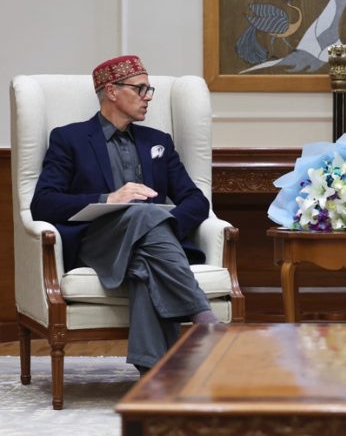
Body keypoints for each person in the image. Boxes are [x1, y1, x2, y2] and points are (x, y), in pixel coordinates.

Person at [30, 55, 220, 375]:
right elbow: (44, 203)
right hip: (96, 242)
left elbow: (196, 200)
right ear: (112, 92)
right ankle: (202, 314)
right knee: (142, 213)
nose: (148, 97)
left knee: (145, 252)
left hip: (151, 244)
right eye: (141, 89)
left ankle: (156, 375)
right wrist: (109, 198)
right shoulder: (70, 139)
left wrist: (166, 225)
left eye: (150, 90)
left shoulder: (158, 142)